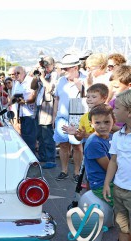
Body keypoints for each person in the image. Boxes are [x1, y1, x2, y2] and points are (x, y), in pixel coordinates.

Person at [103, 89, 131, 241]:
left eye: (117, 108)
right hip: (120, 189)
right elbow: (113, 160)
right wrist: (107, 183)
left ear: (129, 112)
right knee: (122, 226)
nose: (114, 111)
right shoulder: (119, 135)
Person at [53, 54, 86, 182]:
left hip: (78, 116)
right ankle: (64, 170)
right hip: (61, 117)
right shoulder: (61, 80)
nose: (64, 71)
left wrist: (80, 86)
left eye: (66, 69)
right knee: (63, 145)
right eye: (63, 69)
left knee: (77, 145)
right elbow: (57, 98)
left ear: (75, 68)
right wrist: (54, 116)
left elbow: (89, 97)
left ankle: (77, 172)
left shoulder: (85, 79)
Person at [83, 104, 115, 204]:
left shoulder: (111, 136)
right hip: (102, 185)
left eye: (107, 122)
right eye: (97, 123)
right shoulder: (94, 143)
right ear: (91, 124)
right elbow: (110, 168)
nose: (102, 126)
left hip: (112, 181)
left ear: (113, 121)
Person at [35, 56, 58, 169]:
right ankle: (43, 156)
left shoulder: (54, 75)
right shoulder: (44, 74)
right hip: (40, 106)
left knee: (48, 134)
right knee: (41, 134)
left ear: (53, 64)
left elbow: (49, 88)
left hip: (48, 105)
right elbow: (33, 86)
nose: (46, 68)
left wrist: (43, 79)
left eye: (48, 65)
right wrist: (37, 76)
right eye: (45, 65)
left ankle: (51, 159)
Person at [10, 66, 38, 152]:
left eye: (18, 73)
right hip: (20, 114)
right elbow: (13, 98)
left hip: (30, 113)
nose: (16, 75)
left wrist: (25, 101)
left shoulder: (31, 80)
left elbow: (34, 95)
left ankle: (32, 159)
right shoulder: (16, 83)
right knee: (23, 138)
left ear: (24, 73)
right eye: (14, 73)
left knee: (30, 139)